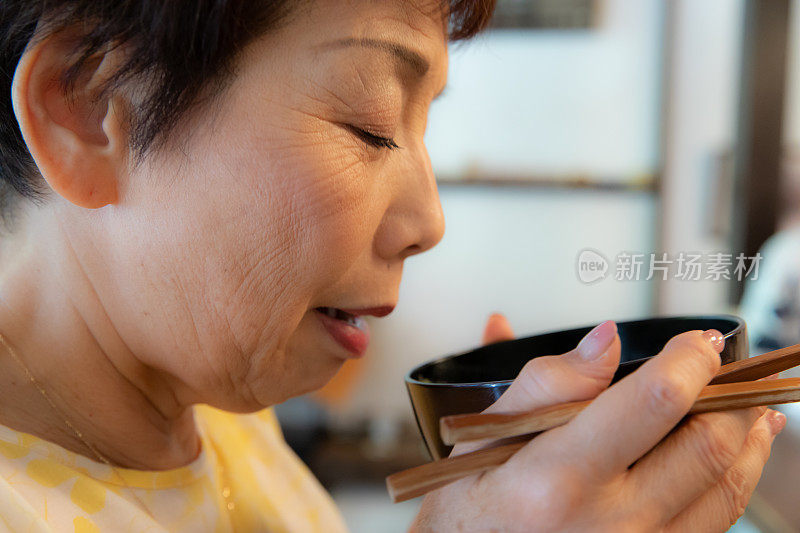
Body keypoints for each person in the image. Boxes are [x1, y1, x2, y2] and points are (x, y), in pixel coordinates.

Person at [0, 1, 784, 531]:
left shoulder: (213, 406)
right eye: (370, 123)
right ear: (87, 107)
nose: (428, 222)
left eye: (423, 127)